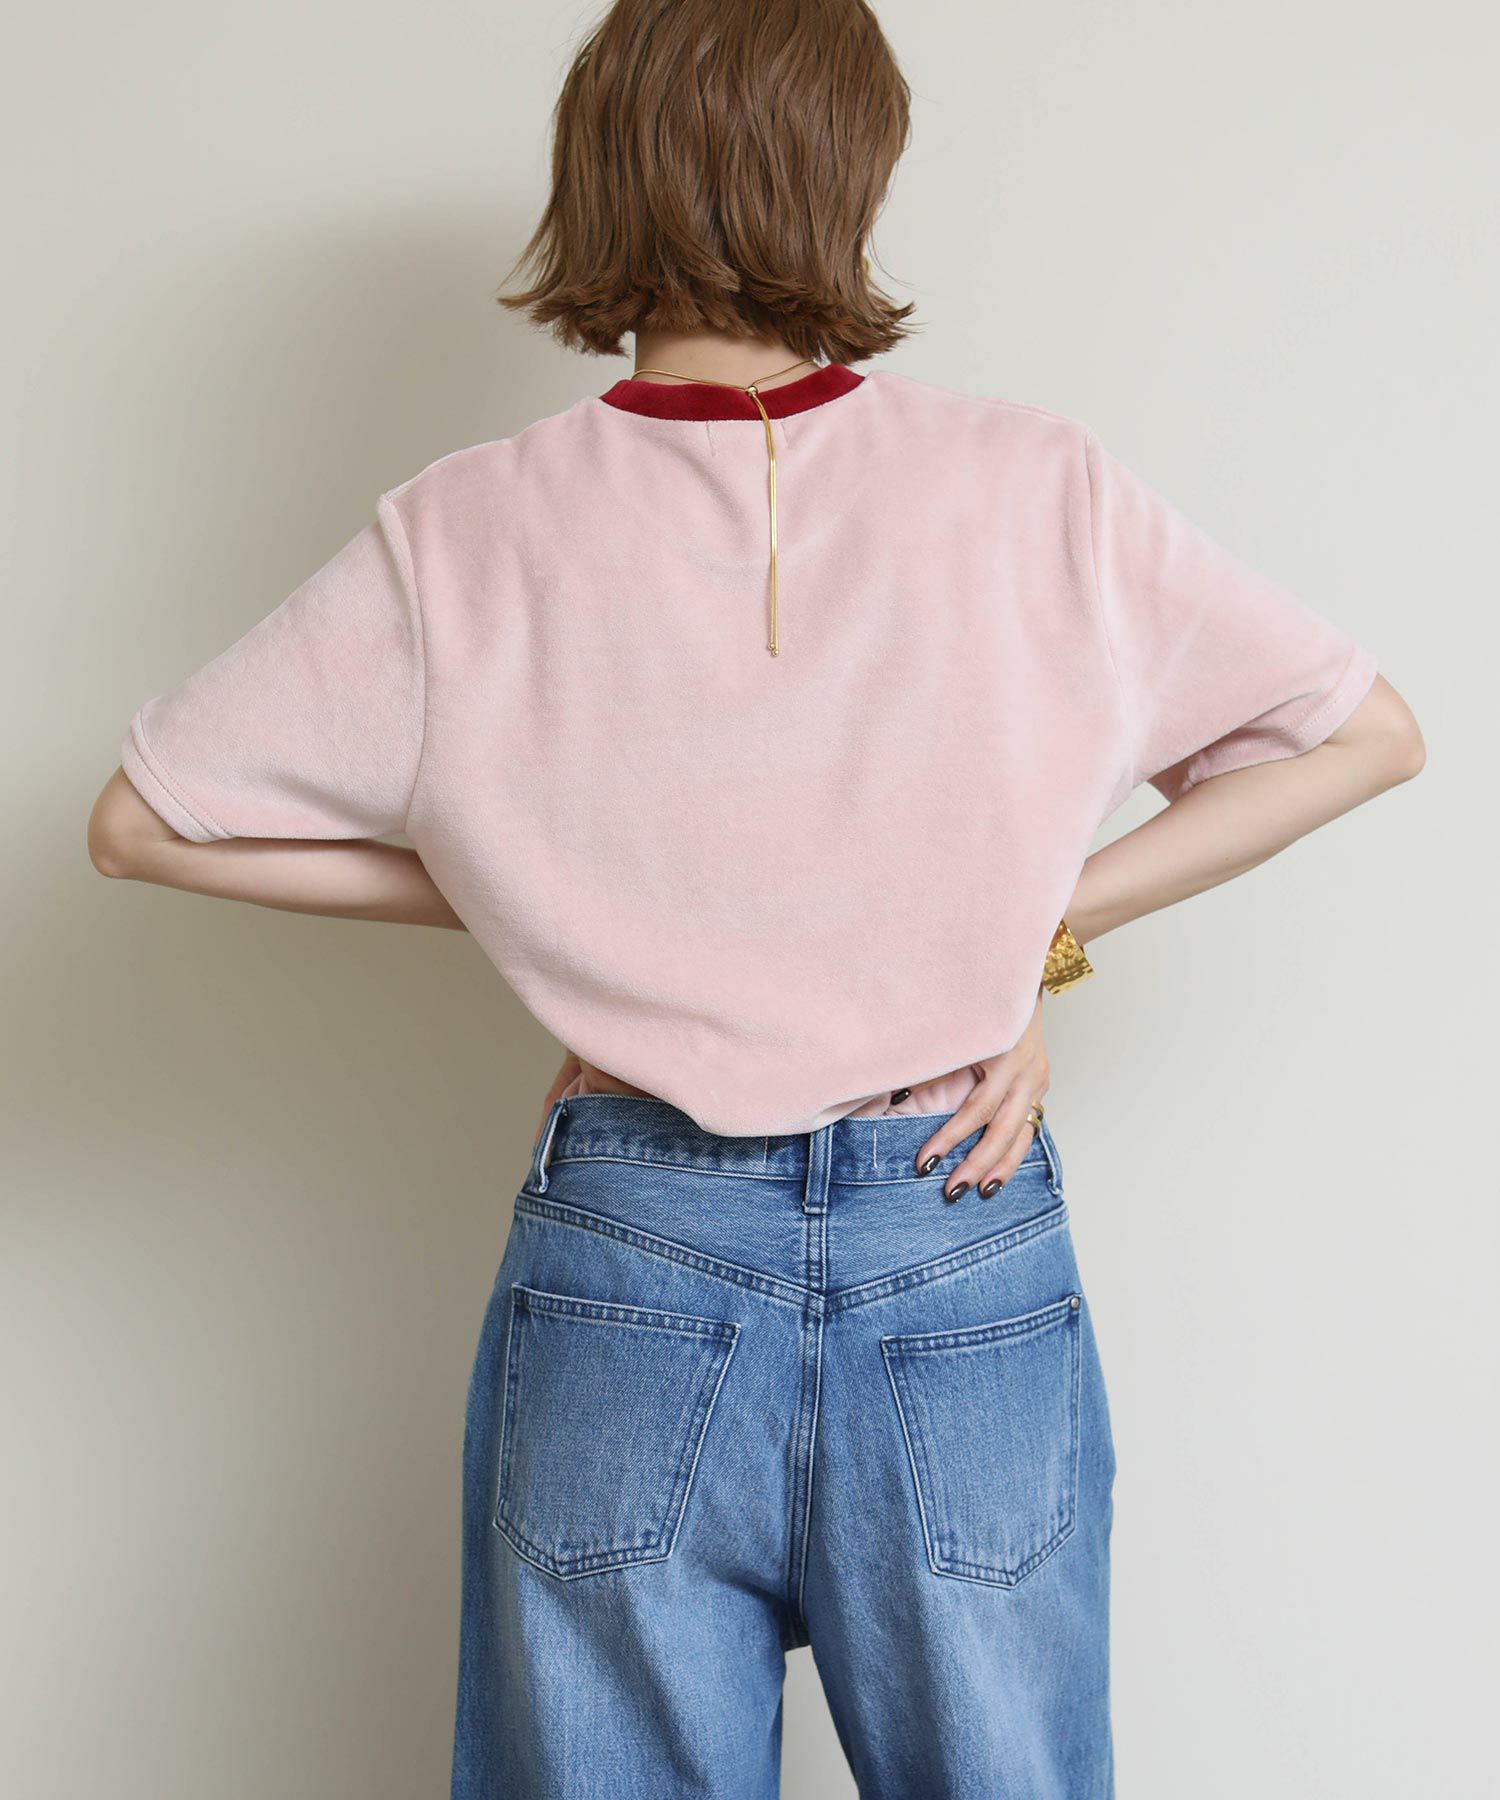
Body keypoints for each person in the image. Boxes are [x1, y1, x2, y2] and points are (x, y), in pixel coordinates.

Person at [87, 0, 1425, 1794]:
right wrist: (1030, 948)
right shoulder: (1035, 485)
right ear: (851, 174)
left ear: (601, 167)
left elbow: (147, 823)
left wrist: (537, 894)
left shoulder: (462, 530)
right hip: (950, 1218)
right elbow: (1361, 736)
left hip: (629, 1238)